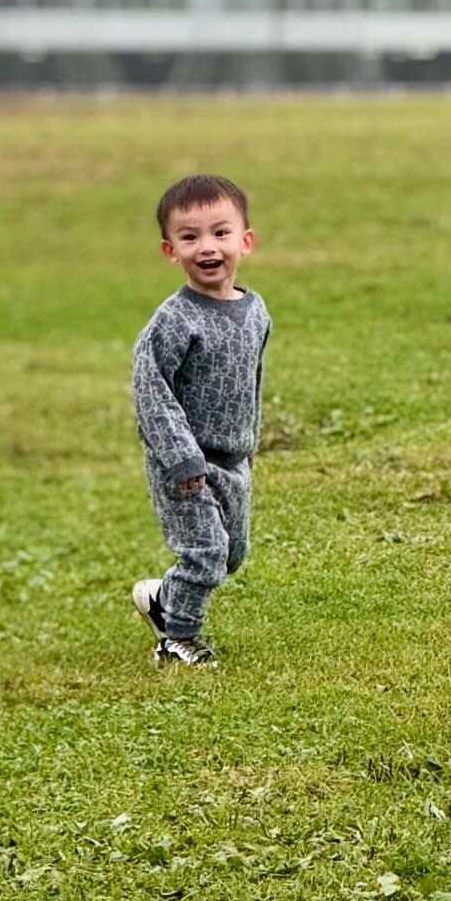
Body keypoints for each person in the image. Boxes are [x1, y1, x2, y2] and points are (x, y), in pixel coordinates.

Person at [130, 174, 271, 667]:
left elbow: (249, 378)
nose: (207, 247)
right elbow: (151, 391)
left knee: (230, 555)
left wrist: (251, 438)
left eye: (220, 233)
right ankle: (177, 639)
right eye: (190, 238)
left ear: (245, 241)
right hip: (185, 462)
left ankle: (163, 598)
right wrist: (180, 457)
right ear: (171, 250)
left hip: (234, 458)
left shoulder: (255, 311)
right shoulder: (172, 322)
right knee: (206, 551)